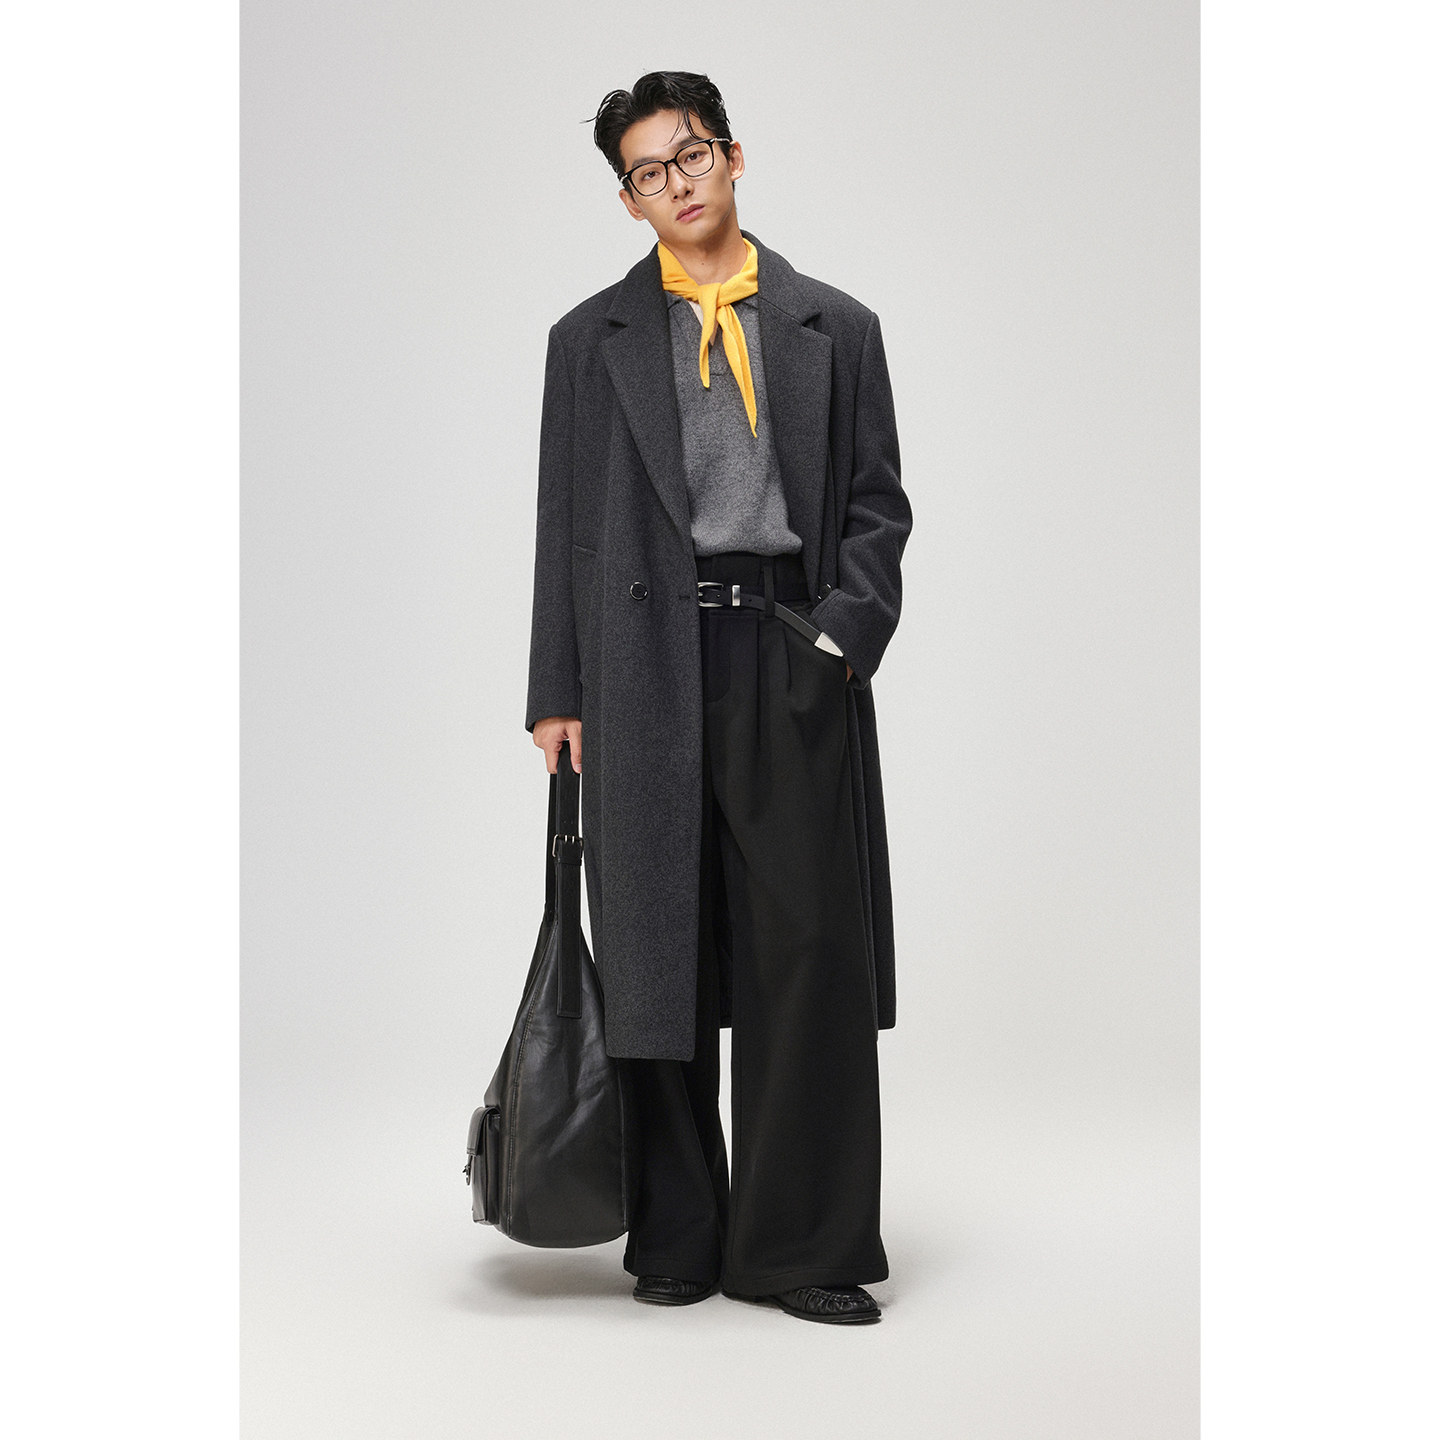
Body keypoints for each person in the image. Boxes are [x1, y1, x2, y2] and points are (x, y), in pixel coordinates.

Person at [524, 71, 911, 1325]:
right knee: (657, 951)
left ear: (733, 158)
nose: (676, 183)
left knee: (808, 955)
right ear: (628, 201)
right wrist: (556, 690)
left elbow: (877, 507)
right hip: (639, 665)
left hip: (786, 654)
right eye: (648, 171)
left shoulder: (834, 325)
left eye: (690, 155)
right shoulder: (587, 342)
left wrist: (840, 640)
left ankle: (802, 1244)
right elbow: (562, 529)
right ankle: (678, 1234)